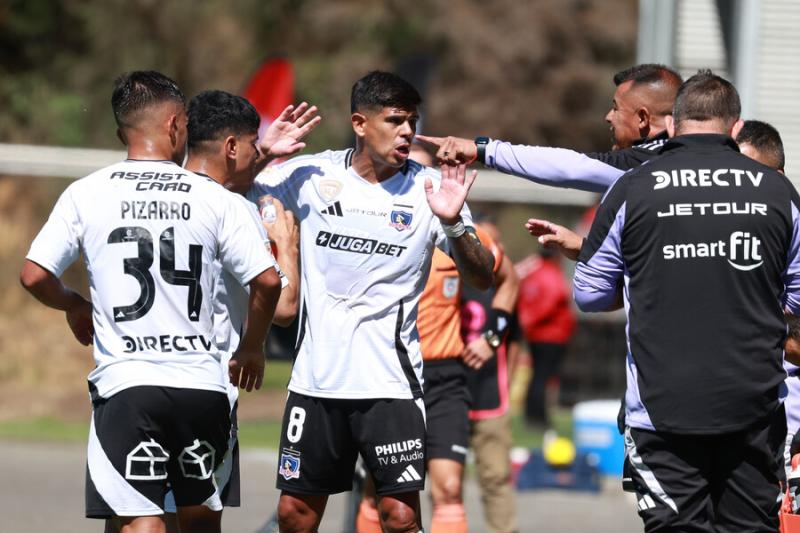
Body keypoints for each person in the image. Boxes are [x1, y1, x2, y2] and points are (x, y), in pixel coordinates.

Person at [19, 71, 282, 533]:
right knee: (201, 524)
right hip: (202, 386)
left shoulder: (86, 192)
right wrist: (252, 348)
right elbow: (267, 281)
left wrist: (74, 305)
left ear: (122, 130)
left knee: (141, 522)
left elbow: (34, 275)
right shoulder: (215, 198)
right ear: (176, 124)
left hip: (128, 385)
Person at [248, 71, 495, 533]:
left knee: (400, 517)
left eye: (412, 121)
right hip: (317, 382)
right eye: (395, 120)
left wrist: (455, 223)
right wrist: (261, 154)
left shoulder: (430, 189)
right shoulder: (310, 175)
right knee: (294, 515)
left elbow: (482, 275)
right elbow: (221, 193)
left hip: (390, 384)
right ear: (360, 123)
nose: (407, 132)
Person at [573, 70, 799, 531]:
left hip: (661, 410)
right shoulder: (779, 191)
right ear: (736, 128)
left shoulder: (632, 187)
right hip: (753, 407)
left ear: (672, 126)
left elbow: (589, 293)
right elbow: (796, 298)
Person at [417, 64, 682, 193]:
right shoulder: (705, 157)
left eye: (615, 108)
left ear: (643, 118)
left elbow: (570, 166)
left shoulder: (645, 167)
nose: (608, 117)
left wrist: (484, 150)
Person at [460, 218, 521, 533]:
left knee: (496, 477)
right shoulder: (443, 272)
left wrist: (507, 380)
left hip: (490, 396)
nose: (486, 249)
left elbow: (516, 341)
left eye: (493, 242)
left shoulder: (502, 286)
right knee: (445, 482)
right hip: (446, 395)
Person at [514, 247, 576, 428]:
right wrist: (530, 319)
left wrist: (526, 321)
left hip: (536, 334)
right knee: (543, 376)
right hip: (551, 335)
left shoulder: (533, 274)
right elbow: (555, 298)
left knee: (537, 375)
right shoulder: (551, 274)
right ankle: (538, 418)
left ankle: (532, 415)